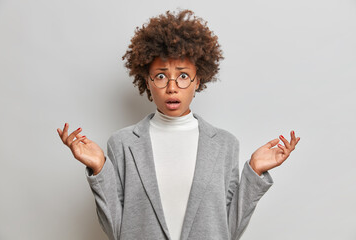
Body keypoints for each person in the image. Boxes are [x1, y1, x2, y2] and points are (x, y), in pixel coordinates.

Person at [57, 9, 300, 240]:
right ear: (147, 81)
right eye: (161, 76)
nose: (172, 87)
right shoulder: (123, 143)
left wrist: (254, 172)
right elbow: (117, 231)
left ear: (198, 79)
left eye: (183, 76)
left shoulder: (225, 145)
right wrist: (100, 169)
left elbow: (227, 232)